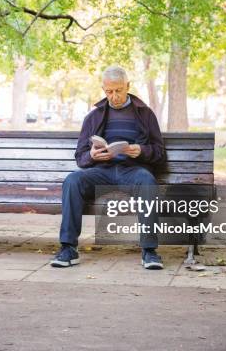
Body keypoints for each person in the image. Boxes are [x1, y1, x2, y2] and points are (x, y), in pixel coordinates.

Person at [50, 66, 166, 270]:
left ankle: (149, 251)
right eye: (109, 92)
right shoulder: (94, 116)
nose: (114, 96)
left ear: (128, 86)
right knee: (72, 180)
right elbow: (80, 157)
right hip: (101, 171)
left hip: (133, 170)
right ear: (104, 89)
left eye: (119, 90)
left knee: (147, 181)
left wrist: (142, 151)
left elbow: (159, 153)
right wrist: (92, 155)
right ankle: (68, 248)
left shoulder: (145, 114)